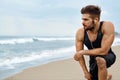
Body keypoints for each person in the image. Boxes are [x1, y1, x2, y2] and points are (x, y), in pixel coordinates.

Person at [74, 5, 116, 80]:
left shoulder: (107, 26)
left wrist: (82, 52)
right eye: (82, 19)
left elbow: (104, 51)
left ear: (96, 20)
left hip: (108, 55)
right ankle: (107, 77)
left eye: (86, 20)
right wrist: (86, 72)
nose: (82, 22)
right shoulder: (80, 32)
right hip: (93, 59)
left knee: (100, 60)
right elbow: (79, 55)